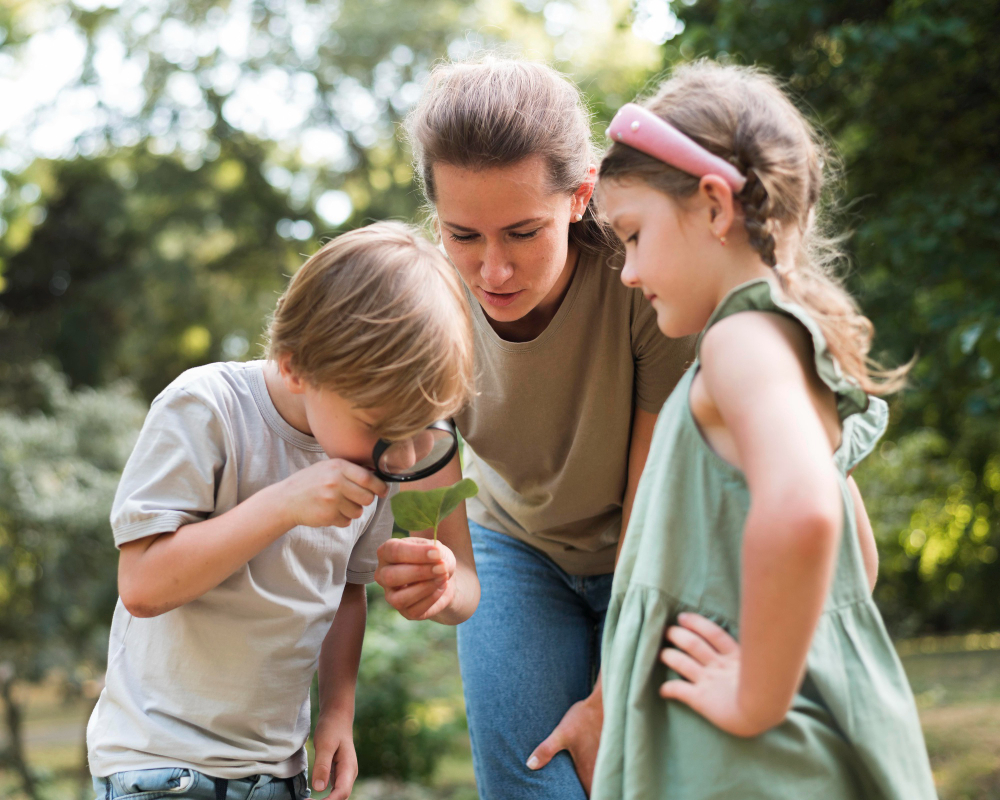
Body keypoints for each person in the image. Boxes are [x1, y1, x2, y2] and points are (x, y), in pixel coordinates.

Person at [590, 61, 936, 799]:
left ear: (715, 206)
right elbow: (856, 561)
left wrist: (756, 698)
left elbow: (805, 512)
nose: (627, 272)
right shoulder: (783, 346)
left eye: (635, 235)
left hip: (747, 766)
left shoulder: (740, 343)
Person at [372, 57, 696, 799]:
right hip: (515, 545)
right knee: (532, 782)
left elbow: (655, 502)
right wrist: (437, 582)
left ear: (582, 195)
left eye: (523, 232)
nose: (493, 271)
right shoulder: (424, 304)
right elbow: (456, 573)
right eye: (463, 235)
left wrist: (612, 691)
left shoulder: (643, 276)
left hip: (652, 545)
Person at [86, 222, 475, 800]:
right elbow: (142, 585)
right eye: (380, 427)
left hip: (277, 769)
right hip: (162, 763)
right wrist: (284, 505)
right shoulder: (206, 408)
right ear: (295, 365)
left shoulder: (372, 459)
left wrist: (337, 712)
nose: (404, 457)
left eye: (419, 429)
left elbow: (346, 590)